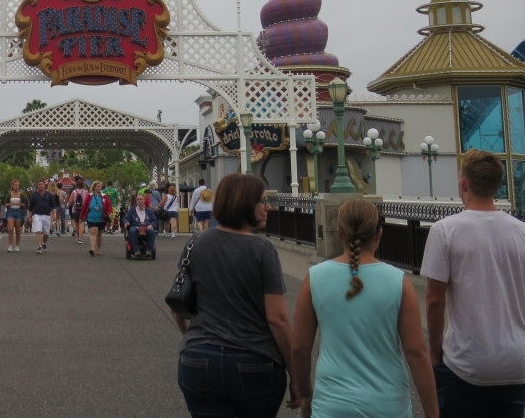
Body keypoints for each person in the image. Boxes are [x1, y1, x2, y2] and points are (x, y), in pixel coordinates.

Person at [292, 198, 439, 418]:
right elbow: (416, 352)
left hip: (333, 405)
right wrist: (433, 413)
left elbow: (300, 349)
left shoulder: (314, 279)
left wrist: (305, 394)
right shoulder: (398, 282)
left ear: (339, 233)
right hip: (388, 405)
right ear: (379, 234)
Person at [172, 173, 299, 417]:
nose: (268, 207)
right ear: (244, 204)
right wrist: (297, 376)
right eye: (263, 201)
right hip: (253, 360)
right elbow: (278, 320)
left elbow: (178, 305)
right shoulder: (262, 249)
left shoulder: (196, 243)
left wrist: (194, 338)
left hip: (197, 358)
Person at [421, 149, 525, 416]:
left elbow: (434, 299)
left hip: (466, 364)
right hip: (517, 362)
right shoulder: (521, 231)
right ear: (496, 186)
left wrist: (435, 356)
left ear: (464, 183)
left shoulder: (445, 231)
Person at [79, 180, 113, 256]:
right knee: (93, 232)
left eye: (100, 186)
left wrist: (110, 212)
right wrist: (81, 217)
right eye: (98, 186)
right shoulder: (89, 196)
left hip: (101, 217)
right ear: (94, 187)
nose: (99, 188)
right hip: (91, 217)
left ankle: (98, 248)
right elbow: (84, 207)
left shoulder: (104, 196)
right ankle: (92, 249)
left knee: (99, 234)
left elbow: (109, 205)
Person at [122, 189, 157, 256]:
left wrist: (151, 225)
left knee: (152, 231)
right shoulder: (132, 210)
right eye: (137, 199)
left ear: (144, 200)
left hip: (146, 227)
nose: (139, 200)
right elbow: (126, 218)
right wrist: (126, 222)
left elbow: (154, 220)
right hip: (136, 226)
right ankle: (136, 250)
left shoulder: (149, 211)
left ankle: (149, 250)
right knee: (132, 230)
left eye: (140, 199)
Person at [28, 180, 57, 253]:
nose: (40, 186)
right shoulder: (34, 195)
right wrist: (29, 216)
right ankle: (39, 246)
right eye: (39, 184)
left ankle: (44, 243)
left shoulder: (49, 194)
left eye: (42, 184)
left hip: (46, 215)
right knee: (38, 230)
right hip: (37, 215)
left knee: (46, 233)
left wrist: (54, 214)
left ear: (44, 185)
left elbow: (53, 206)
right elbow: (30, 207)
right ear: (37, 186)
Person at [5, 179, 26, 252]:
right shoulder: (9, 194)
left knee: (18, 230)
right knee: (10, 229)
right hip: (11, 211)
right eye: (15, 185)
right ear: (12, 186)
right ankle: (10, 245)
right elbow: (6, 204)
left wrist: (19, 204)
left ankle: (17, 245)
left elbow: (24, 204)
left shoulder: (21, 194)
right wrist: (11, 204)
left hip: (18, 212)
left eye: (18, 185)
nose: (17, 186)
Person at [68, 177, 89, 243]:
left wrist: (69, 204)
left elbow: (70, 201)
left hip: (75, 209)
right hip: (83, 209)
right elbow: (88, 201)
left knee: (76, 223)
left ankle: (78, 236)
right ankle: (80, 238)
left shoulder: (74, 191)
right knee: (82, 223)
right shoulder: (86, 192)